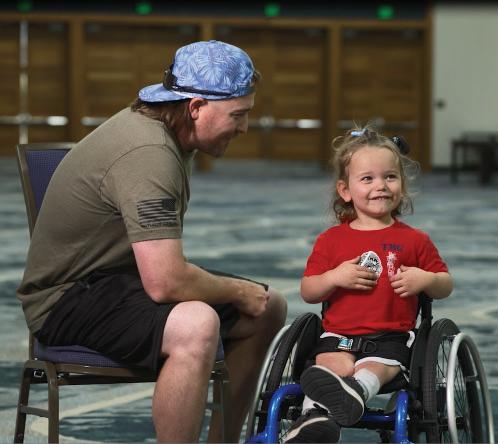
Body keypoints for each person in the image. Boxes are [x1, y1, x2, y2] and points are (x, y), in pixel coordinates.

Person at [17, 40, 287, 443]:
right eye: (238, 114)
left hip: (116, 280)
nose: (245, 127)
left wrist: (245, 294)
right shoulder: (149, 152)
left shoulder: (170, 133)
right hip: (65, 299)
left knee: (268, 307)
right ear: (196, 107)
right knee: (196, 325)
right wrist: (237, 290)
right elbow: (165, 282)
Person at [284, 127, 452, 443]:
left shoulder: (415, 240)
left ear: (402, 185)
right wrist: (334, 277)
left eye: (390, 177)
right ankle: (314, 420)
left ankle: (356, 391)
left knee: (377, 366)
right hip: (339, 336)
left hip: (391, 337)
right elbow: (309, 291)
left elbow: (445, 284)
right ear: (345, 190)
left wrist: (426, 279)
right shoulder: (331, 240)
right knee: (327, 367)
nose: (381, 186)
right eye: (367, 179)